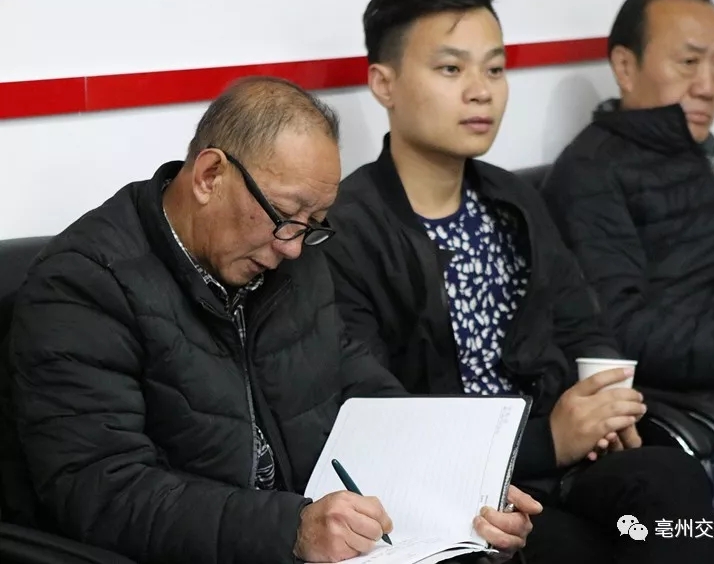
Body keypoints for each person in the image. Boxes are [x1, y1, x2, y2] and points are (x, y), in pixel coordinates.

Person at [6, 76, 538, 564]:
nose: (294, 248)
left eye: (314, 224)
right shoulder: (84, 285)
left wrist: (460, 486)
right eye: (285, 217)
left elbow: (352, 378)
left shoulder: (290, 257)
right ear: (210, 176)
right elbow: (102, 491)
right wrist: (289, 529)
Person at [322, 0, 714, 562]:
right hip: (455, 493)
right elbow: (377, 417)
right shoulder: (348, 231)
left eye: (495, 69)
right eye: (451, 69)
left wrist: (606, 407)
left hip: (559, 465)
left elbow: (583, 323)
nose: (482, 90)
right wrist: (548, 441)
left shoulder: (512, 200)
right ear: (384, 83)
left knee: (671, 480)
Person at [541, 0, 714, 523]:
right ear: (625, 66)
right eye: (688, 61)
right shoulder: (590, 175)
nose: (708, 85)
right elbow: (624, 332)